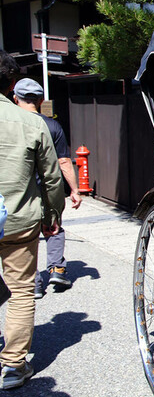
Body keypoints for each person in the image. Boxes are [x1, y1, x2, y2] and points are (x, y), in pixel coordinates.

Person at [0, 50, 65, 390]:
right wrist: (53, 214)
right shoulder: (31, 123)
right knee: (22, 290)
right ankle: (13, 365)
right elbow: (52, 177)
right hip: (19, 219)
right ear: (11, 84)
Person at [13, 78, 82, 297]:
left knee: (27, 234)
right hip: (48, 187)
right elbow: (64, 161)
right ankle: (57, 269)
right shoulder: (52, 125)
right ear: (41, 100)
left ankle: (33, 281)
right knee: (53, 226)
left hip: (21, 189)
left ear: (15, 98)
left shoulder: (11, 124)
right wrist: (74, 190)